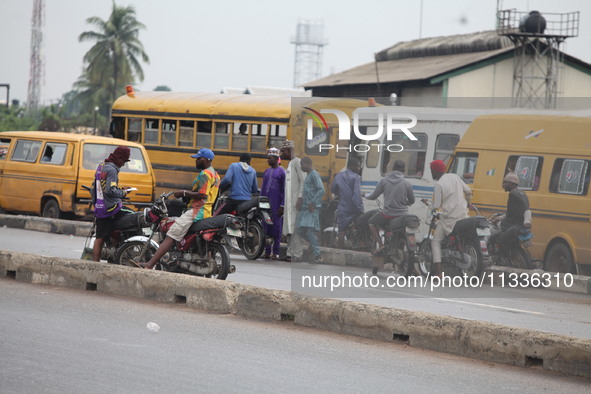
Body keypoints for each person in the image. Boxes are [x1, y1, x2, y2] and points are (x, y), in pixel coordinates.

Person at [143, 148, 220, 269]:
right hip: (206, 211)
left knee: (171, 234)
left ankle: (149, 264)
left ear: (205, 159)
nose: (196, 161)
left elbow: (202, 195)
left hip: (197, 211)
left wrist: (183, 193)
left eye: (198, 159)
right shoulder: (215, 175)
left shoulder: (205, 174)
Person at [427, 159, 473, 277]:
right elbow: (468, 191)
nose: (431, 173)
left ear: (435, 171)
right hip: (464, 216)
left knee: (435, 241)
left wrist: (428, 203)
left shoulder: (439, 185)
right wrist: (468, 203)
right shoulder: (455, 177)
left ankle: (439, 272)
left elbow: (437, 206)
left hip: (450, 219)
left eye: (431, 170)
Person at [90, 146, 133, 262]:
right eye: (124, 161)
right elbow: (111, 190)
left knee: (99, 238)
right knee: (134, 215)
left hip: (100, 208)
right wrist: (123, 193)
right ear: (118, 158)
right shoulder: (112, 170)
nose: (123, 164)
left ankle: (95, 264)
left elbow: (93, 188)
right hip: (111, 209)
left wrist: (97, 205)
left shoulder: (102, 166)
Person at [365, 160, 415, 254]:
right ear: (404, 170)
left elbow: (373, 196)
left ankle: (381, 245)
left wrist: (365, 195)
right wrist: (406, 202)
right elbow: (412, 200)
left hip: (388, 214)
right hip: (403, 214)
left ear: (392, 169)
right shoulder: (407, 183)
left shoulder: (384, 181)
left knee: (371, 222)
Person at [279, 140, 305, 262]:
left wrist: (300, 197)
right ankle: (290, 252)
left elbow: (303, 181)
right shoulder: (290, 164)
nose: (281, 154)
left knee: (295, 229)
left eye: (283, 151)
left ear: (289, 151)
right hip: (289, 203)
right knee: (289, 228)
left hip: (296, 202)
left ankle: (297, 254)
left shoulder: (298, 163)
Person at [489, 172, 532, 247]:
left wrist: (527, 220)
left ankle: (492, 255)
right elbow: (513, 213)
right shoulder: (522, 192)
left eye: (505, 183)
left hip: (511, 225)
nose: (503, 185)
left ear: (512, 184)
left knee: (490, 234)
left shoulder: (513, 194)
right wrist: (500, 218)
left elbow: (526, 209)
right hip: (516, 224)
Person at [297, 156, 325, 263]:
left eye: (302, 164)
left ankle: (317, 255)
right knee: (300, 230)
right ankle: (314, 246)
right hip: (305, 209)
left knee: (310, 231)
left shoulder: (314, 175)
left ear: (308, 164)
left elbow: (321, 190)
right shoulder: (308, 176)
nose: (301, 167)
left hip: (312, 208)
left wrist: (313, 202)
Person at [331, 157, 364, 248]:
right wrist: (359, 208)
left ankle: (339, 250)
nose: (358, 168)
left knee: (341, 230)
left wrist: (341, 193)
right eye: (357, 166)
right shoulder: (356, 177)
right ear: (352, 166)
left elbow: (333, 189)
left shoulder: (338, 176)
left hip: (342, 208)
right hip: (353, 209)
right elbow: (356, 195)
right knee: (362, 226)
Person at [260, 147, 286, 260]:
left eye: (269, 158)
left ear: (276, 158)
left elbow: (284, 190)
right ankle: (267, 252)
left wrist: (282, 205)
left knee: (276, 228)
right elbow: (263, 188)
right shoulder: (266, 172)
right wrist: (260, 201)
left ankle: (276, 252)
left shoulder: (282, 172)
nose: (268, 160)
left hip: (276, 205)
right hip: (266, 205)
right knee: (266, 227)